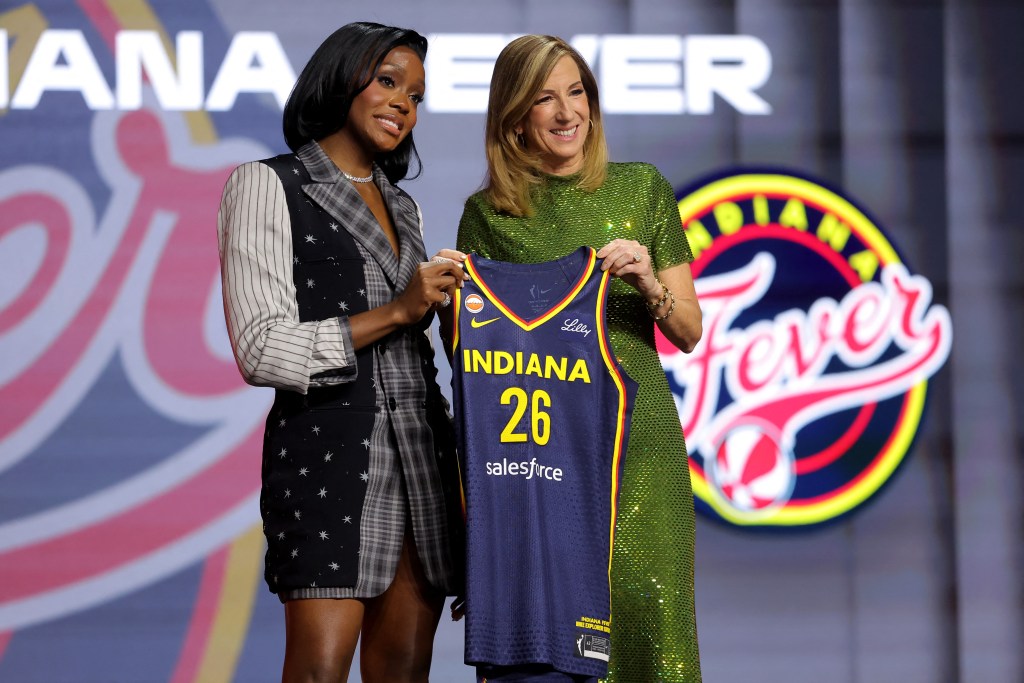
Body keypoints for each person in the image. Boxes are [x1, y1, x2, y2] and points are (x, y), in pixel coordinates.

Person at [217, 22, 466, 683]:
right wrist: (396, 311)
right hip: (329, 460)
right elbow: (260, 347)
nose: (403, 104)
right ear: (342, 77)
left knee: (406, 672)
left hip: (422, 461)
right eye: (388, 81)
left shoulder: (403, 206)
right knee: (317, 671)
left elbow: (414, 344)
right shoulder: (269, 184)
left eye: (416, 94)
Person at [455, 34, 703, 682]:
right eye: (545, 98)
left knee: (653, 623)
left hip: (641, 449)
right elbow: (478, 355)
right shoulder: (487, 215)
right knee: (557, 635)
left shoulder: (643, 188)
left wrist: (649, 282)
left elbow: (689, 329)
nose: (568, 113)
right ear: (514, 118)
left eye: (577, 93)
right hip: (545, 457)